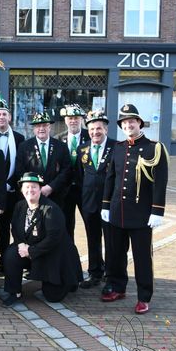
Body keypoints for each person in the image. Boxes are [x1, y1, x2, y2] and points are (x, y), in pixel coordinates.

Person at [101, 104, 169, 314]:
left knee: (142, 258)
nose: (128, 125)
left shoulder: (154, 148)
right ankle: (117, 287)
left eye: (131, 121)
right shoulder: (118, 147)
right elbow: (110, 178)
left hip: (141, 214)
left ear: (139, 123)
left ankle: (143, 297)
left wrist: (157, 210)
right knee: (115, 254)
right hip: (117, 211)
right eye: (124, 122)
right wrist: (106, 205)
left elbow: (160, 182)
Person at [1, 172, 83, 306]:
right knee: (11, 254)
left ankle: (68, 281)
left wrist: (31, 251)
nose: (30, 190)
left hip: (53, 254)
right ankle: (14, 292)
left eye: (34, 187)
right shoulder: (20, 206)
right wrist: (20, 244)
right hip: (32, 249)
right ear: (21, 190)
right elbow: (15, 229)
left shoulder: (51, 209)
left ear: (40, 189)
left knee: (53, 296)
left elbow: (53, 239)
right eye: (26, 187)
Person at [75, 109, 115, 289]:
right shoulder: (82, 149)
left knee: (111, 240)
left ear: (105, 129)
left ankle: (111, 274)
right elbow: (80, 176)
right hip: (89, 202)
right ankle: (94, 272)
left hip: (109, 202)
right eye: (91, 129)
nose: (95, 132)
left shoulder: (116, 147)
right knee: (93, 239)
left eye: (98, 128)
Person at [0, 93, 25, 271]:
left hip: (12, 192)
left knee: (7, 229)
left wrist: (9, 183)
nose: (2, 117)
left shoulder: (19, 138)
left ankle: (5, 262)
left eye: (4, 114)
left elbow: (20, 165)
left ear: (10, 117)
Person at [15, 110, 72, 212]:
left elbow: (66, 170)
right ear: (34, 129)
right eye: (38, 126)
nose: (41, 128)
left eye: (45, 125)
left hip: (56, 197)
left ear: (49, 127)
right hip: (32, 197)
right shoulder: (24, 147)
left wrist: (51, 187)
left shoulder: (61, 146)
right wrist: (35, 188)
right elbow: (20, 171)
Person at [59, 104, 90, 237]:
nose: (73, 121)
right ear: (65, 120)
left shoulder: (90, 137)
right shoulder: (59, 139)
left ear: (81, 119)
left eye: (76, 118)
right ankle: (70, 251)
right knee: (66, 227)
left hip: (85, 189)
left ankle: (94, 251)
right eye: (70, 118)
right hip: (66, 190)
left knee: (91, 226)